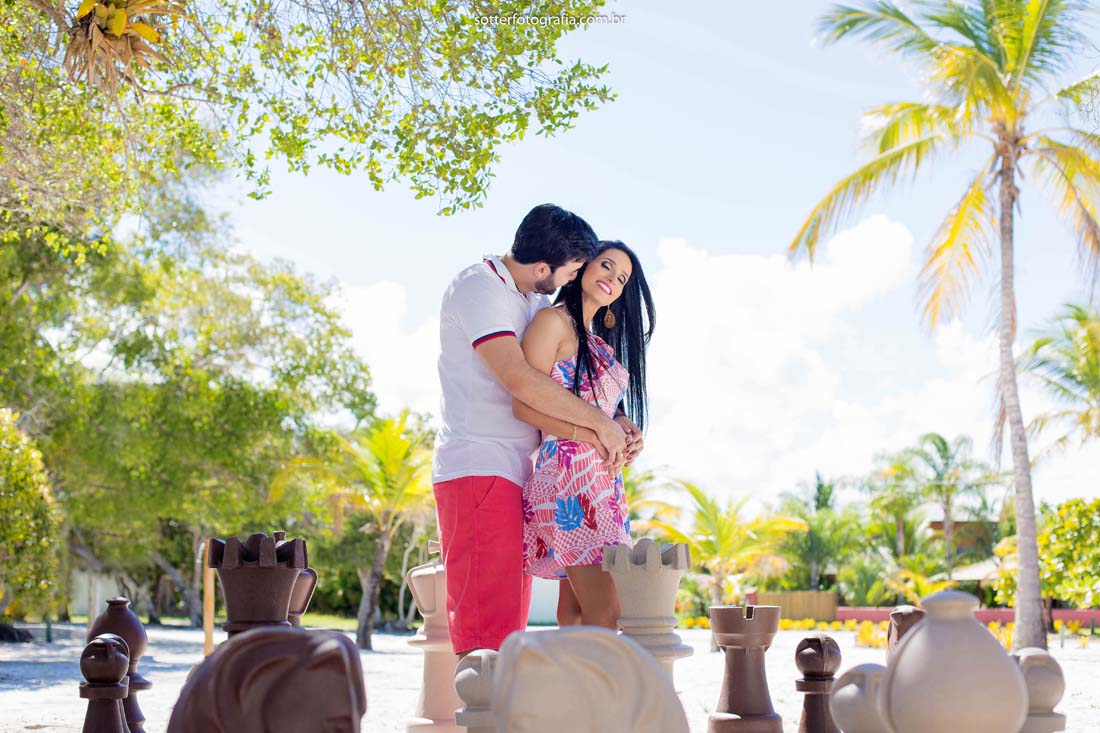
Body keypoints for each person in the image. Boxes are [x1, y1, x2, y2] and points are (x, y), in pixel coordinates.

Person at [432, 204, 634, 656]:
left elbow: (571, 386)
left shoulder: (533, 299)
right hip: (481, 464)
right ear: (545, 267)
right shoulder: (480, 287)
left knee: (511, 624)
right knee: (488, 625)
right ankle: (484, 722)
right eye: (575, 269)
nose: (574, 277)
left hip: (520, 471)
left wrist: (616, 421)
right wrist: (599, 427)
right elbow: (521, 383)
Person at [512, 240, 654, 629]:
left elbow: (595, 405)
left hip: (600, 484)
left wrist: (624, 426)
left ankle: (571, 690)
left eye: (622, 278)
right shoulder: (552, 322)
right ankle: (599, 691)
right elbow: (525, 406)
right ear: (584, 267)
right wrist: (592, 434)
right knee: (608, 610)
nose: (612, 279)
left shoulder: (598, 343)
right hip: (566, 478)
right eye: (607, 266)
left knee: (576, 610)